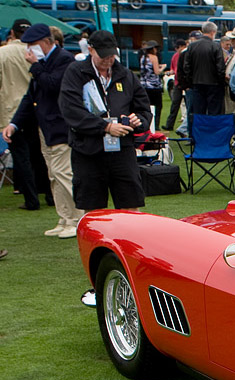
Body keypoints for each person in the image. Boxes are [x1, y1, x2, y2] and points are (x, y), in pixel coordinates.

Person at [58, 29, 152, 217]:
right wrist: (106, 127)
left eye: (111, 55)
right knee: (93, 207)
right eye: (103, 56)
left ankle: (130, 242)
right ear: (91, 50)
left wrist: (138, 121)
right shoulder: (76, 73)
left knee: (131, 202)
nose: (108, 60)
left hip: (122, 150)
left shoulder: (126, 75)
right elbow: (71, 110)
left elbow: (144, 109)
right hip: (88, 150)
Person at [4, 22, 83, 238]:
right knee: (53, 175)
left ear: (47, 43)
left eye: (33, 44)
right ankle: (64, 217)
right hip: (45, 128)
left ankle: (77, 219)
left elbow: (53, 85)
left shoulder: (64, 59)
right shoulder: (41, 65)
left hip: (61, 126)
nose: (29, 49)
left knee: (63, 173)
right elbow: (31, 96)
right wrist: (14, 123)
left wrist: (36, 65)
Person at [0, 19, 40, 210]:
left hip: (11, 108)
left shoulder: (3, 53)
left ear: (13, 34)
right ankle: (48, 194)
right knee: (39, 153)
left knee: (21, 156)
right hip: (35, 108)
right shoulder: (35, 52)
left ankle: (31, 197)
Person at [181, 21, 226, 118]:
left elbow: (187, 67)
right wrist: (221, 82)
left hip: (197, 83)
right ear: (213, 32)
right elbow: (220, 67)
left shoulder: (192, 46)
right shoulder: (216, 46)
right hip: (214, 84)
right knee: (214, 112)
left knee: (198, 112)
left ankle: (199, 131)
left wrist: (190, 81)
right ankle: (212, 131)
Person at [138, 41, 165, 130]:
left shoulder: (143, 58)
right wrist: (163, 68)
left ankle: (148, 124)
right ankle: (156, 125)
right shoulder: (154, 57)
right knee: (158, 106)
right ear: (153, 49)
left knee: (148, 106)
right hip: (154, 86)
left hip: (144, 85)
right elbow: (157, 71)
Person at [163, 39, 188, 130]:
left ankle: (186, 127)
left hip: (186, 83)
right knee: (175, 104)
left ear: (182, 46)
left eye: (178, 47)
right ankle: (169, 125)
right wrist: (170, 73)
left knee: (188, 105)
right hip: (177, 82)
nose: (177, 50)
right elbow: (174, 69)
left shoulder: (187, 55)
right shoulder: (175, 56)